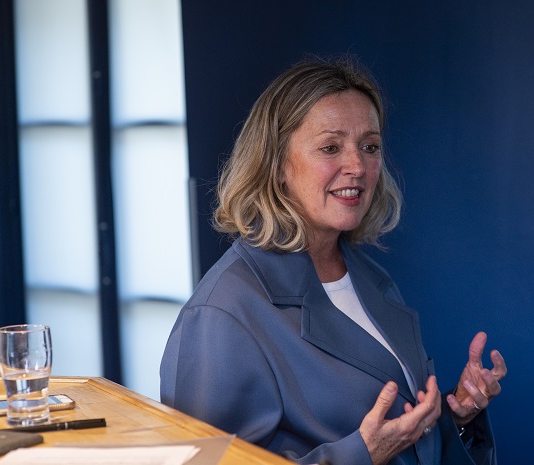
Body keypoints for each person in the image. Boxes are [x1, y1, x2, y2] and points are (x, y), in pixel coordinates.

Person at [160, 55, 506, 465]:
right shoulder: (221, 312)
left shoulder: (372, 279)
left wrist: (456, 415)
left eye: (369, 147)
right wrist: (361, 455)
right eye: (330, 147)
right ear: (277, 165)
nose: (357, 166)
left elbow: (401, 438)